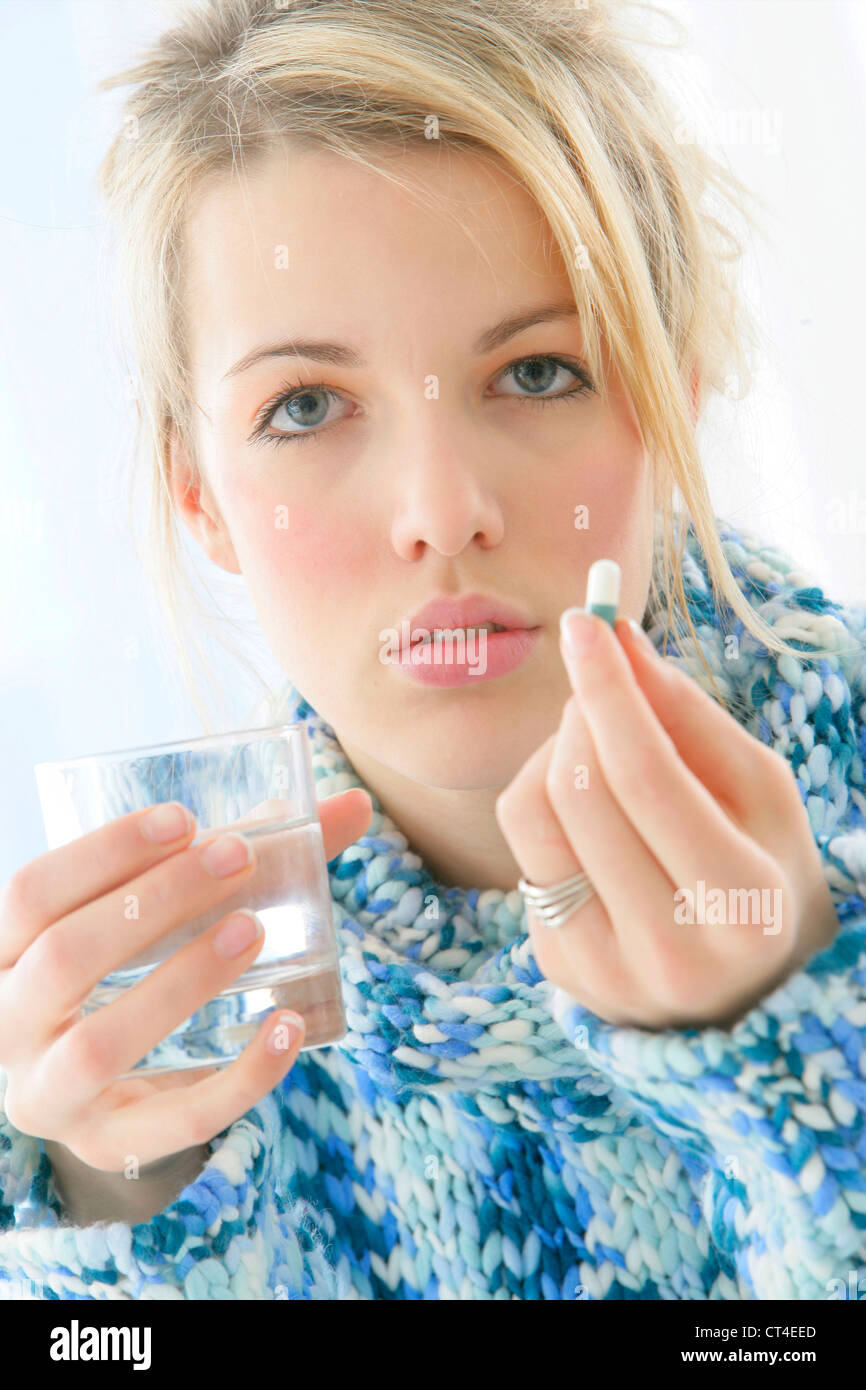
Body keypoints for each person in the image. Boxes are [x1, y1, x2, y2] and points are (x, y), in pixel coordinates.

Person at [1, 0, 864, 1300]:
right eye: (305, 406)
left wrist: (802, 1045)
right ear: (200, 496)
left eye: (536, 373)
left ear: (672, 391)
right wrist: (123, 1191)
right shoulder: (178, 986)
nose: (439, 510)